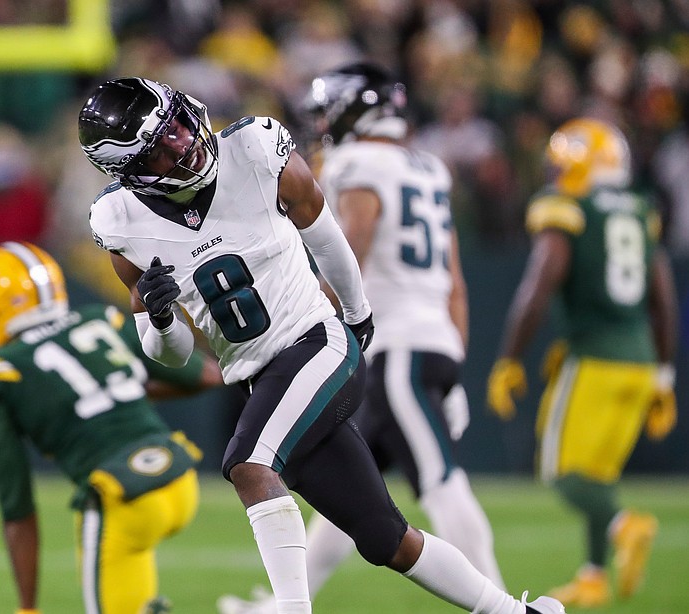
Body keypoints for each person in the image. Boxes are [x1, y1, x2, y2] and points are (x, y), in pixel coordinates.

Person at [77, 76, 565, 614]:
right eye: (157, 150)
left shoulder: (256, 148)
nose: (181, 144)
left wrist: (357, 315)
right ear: (129, 174)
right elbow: (167, 352)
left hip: (315, 341)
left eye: (174, 126)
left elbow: (326, 236)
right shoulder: (121, 222)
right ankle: (516, 612)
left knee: (248, 463)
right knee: (386, 539)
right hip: (256, 377)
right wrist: (164, 318)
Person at [217, 62, 505, 614]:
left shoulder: (356, 161)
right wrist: (455, 361)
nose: (325, 120)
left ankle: (498, 602)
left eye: (331, 108)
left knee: (440, 481)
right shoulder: (428, 167)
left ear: (357, 108)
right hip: (432, 340)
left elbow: (351, 249)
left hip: (392, 342)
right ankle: (285, 602)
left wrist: (320, 318)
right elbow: (456, 280)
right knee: (346, 496)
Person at [0, 240, 223, 614]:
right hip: (179, 479)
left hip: (121, 495)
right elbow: (208, 376)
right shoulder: (100, 319)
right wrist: (118, 392)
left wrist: (27, 607)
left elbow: (16, 507)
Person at [486, 117, 679, 608]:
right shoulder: (640, 209)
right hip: (641, 364)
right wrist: (664, 374)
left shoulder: (566, 209)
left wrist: (509, 359)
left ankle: (623, 526)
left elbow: (538, 287)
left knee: (563, 473)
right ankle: (593, 576)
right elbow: (664, 301)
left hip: (594, 359)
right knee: (599, 475)